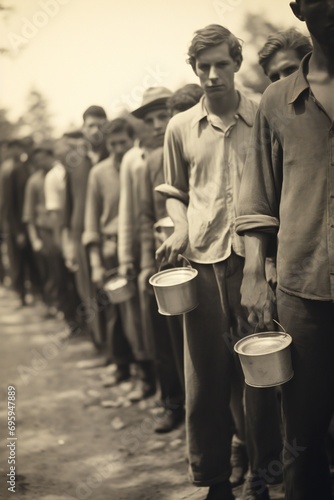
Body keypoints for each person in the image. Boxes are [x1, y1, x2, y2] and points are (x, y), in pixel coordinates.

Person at [156, 24, 282, 500]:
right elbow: (174, 194)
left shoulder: (264, 112)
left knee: (260, 374)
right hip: (203, 266)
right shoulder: (179, 127)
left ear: (235, 63)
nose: (212, 75)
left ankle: (262, 473)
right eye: (202, 67)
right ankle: (212, 479)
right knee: (205, 379)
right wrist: (183, 226)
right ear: (194, 70)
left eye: (220, 64)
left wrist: (267, 262)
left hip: (256, 263)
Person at [236, 1, 334, 499]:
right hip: (303, 291)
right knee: (304, 440)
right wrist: (255, 274)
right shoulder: (277, 100)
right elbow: (257, 197)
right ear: (298, 7)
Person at [83, 118, 152, 387]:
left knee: (145, 316)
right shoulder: (98, 173)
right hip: (113, 250)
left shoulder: (141, 164)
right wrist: (96, 262)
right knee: (123, 317)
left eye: (123, 142)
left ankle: (152, 375)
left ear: (132, 139)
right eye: (113, 144)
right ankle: (132, 370)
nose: (119, 148)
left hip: (142, 247)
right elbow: (91, 222)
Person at [117, 87, 173, 402]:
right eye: (150, 120)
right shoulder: (146, 163)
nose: (157, 125)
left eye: (162, 116)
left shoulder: (189, 149)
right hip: (162, 261)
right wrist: (145, 266)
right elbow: (142, 219)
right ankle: (170, 401)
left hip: (199, 258)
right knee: (161, 335)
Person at [62, 106, 109, 348]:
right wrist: (69, 245)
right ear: (83, 128)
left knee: (110, 296)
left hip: (108, 235)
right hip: (80, 236)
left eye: (100, 125)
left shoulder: (113, 155)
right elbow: (67, 207)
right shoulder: (74, 162)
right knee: (87, 295)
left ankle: (120, 356)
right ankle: (100, 348)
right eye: (91, 125)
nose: (96, 130)